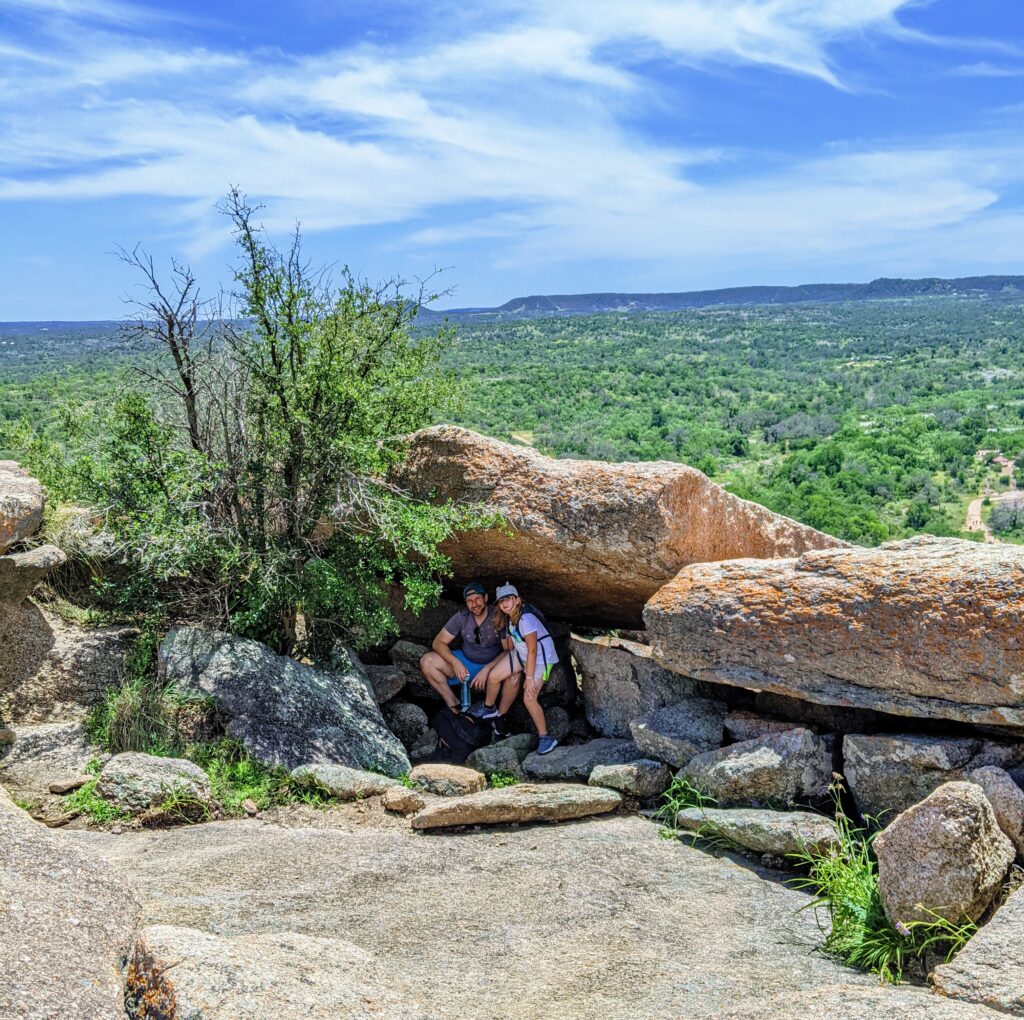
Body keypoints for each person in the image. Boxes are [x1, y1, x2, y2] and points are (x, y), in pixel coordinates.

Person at [468, 583, 559, 755]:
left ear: (517, 600)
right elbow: (513, 646)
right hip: (522, 655)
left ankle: (545, 737)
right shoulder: (510, 619)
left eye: (507, 599)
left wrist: (529, 677)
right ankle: (490, 709)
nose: (504, 604)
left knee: (529, 698)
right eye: (501, 601)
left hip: (541, 660)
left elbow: (533, 650)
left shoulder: (526, 619)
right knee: (494, 676)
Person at [419, 581, 506, 715]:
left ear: (486, 598)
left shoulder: (498, 616)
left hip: (492, 666)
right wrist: (456, 663)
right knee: (427, 661)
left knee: (514, 676)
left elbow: (509, 650)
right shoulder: (462, 616)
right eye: (470, 601)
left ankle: (499, 716)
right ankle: (454, 705)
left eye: (477, 599)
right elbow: (438, 642)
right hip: (466, 663)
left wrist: (487, 669)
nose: (474, 604)